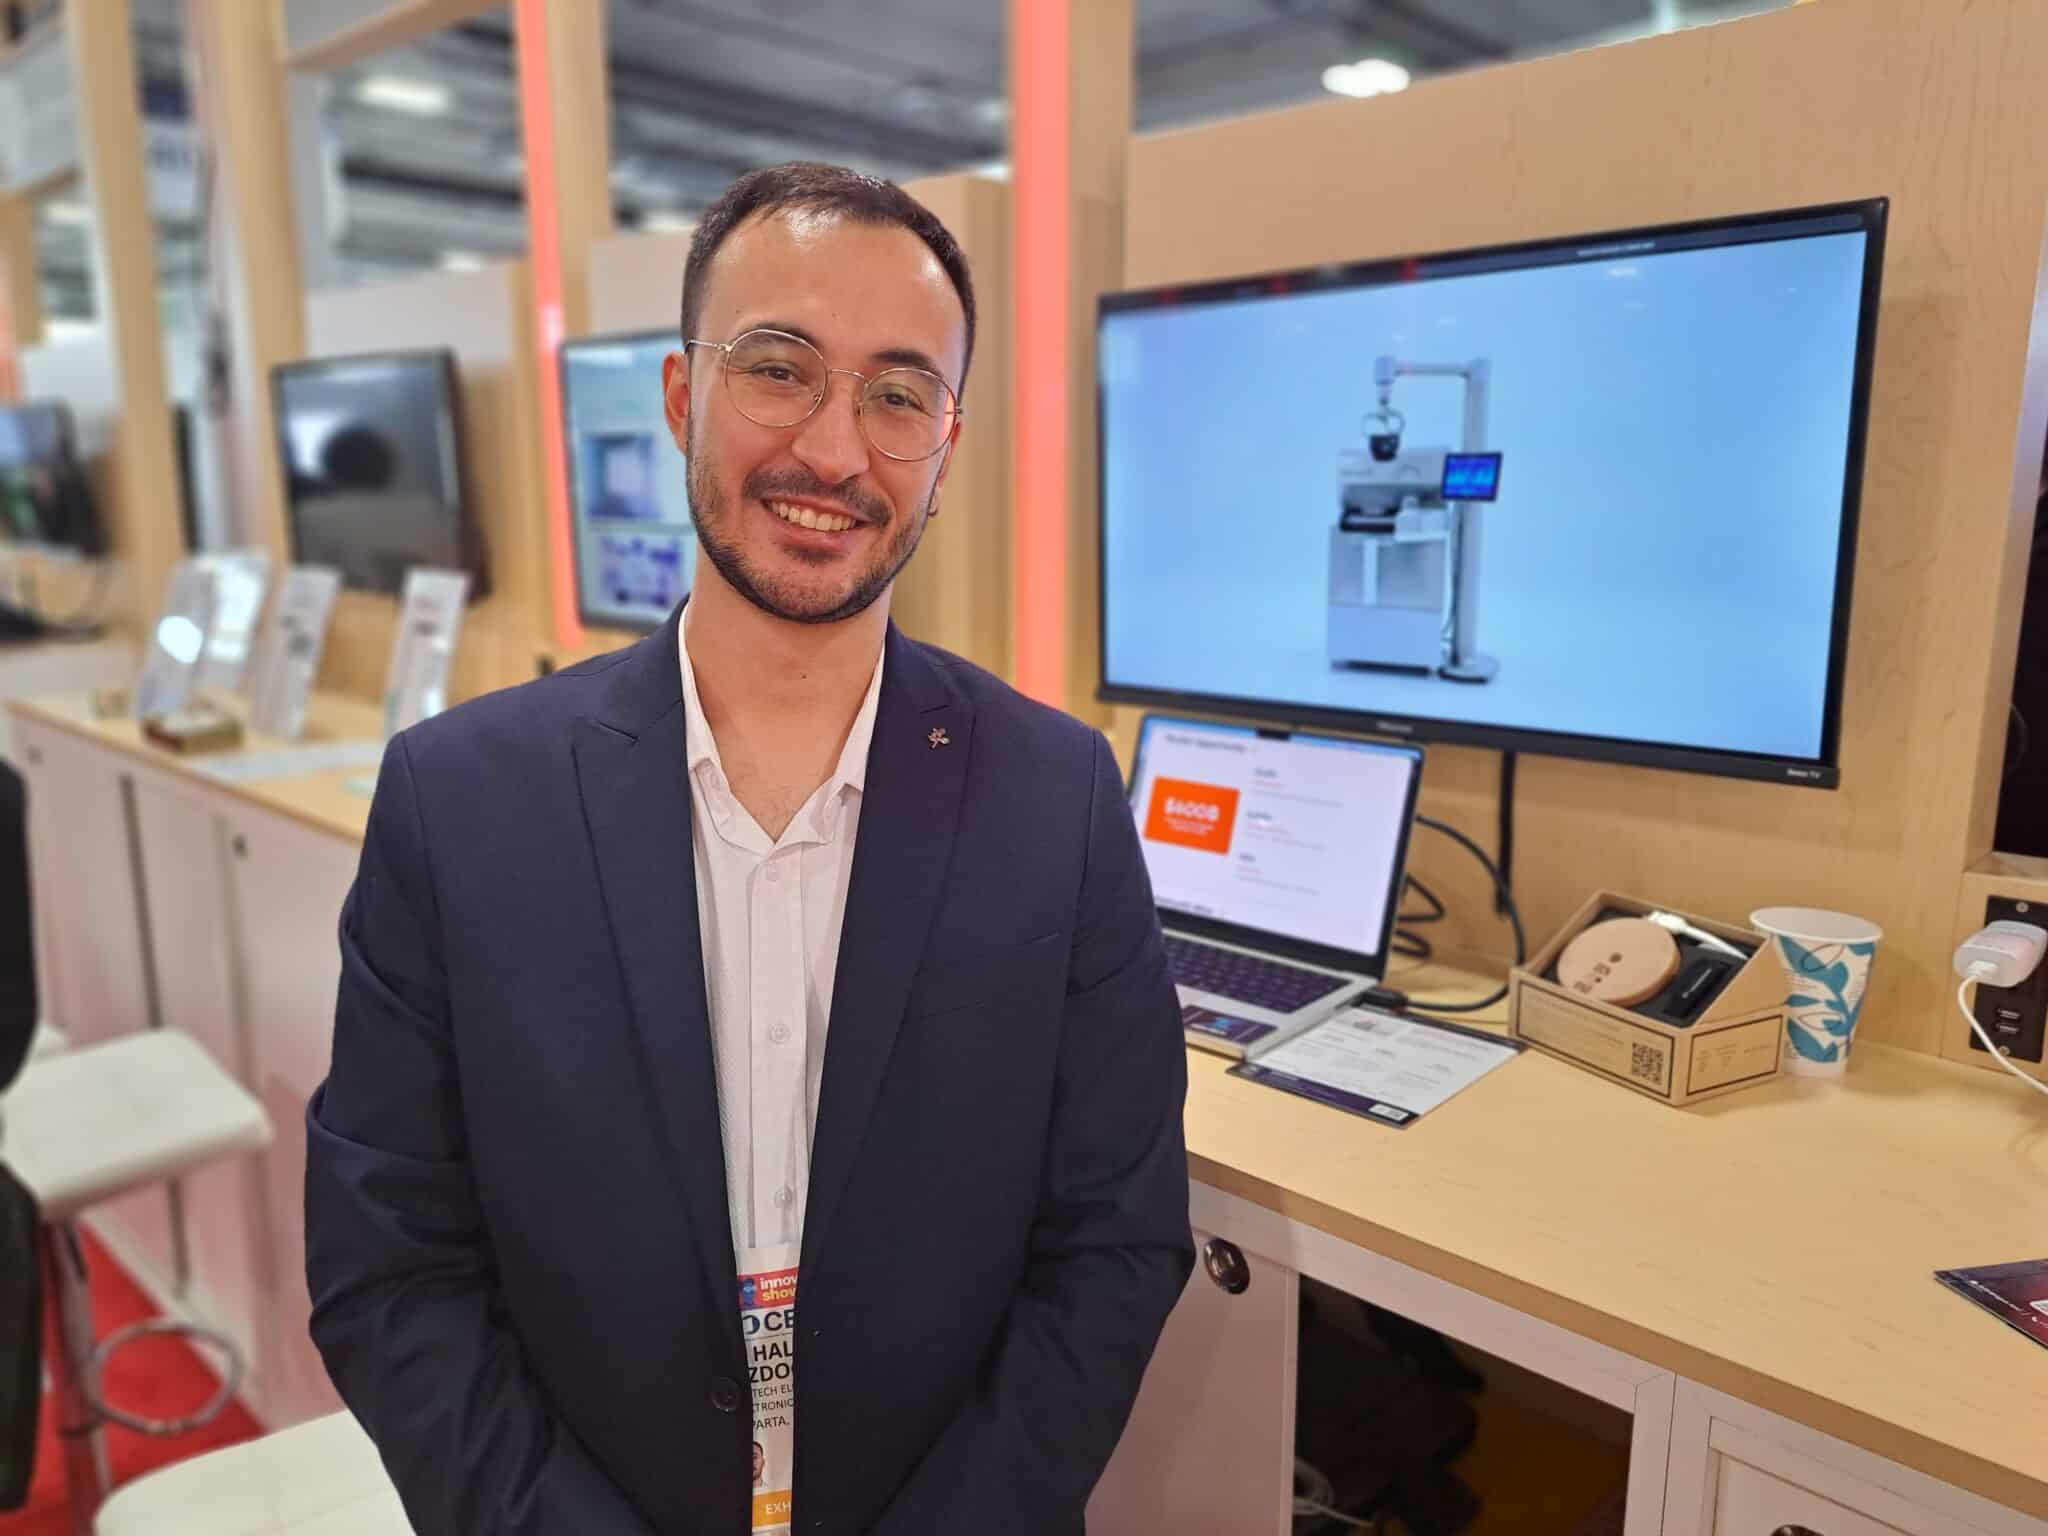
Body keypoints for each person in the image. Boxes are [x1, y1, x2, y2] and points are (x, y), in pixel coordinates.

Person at [304, 161, 1194, 1535]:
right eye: (779, 370)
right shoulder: (458, 801)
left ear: (946, 446)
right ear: (681, 397)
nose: (834, 453)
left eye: (898, 395)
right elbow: (391, 1261)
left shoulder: (1057, 800)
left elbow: (1115, 1245)